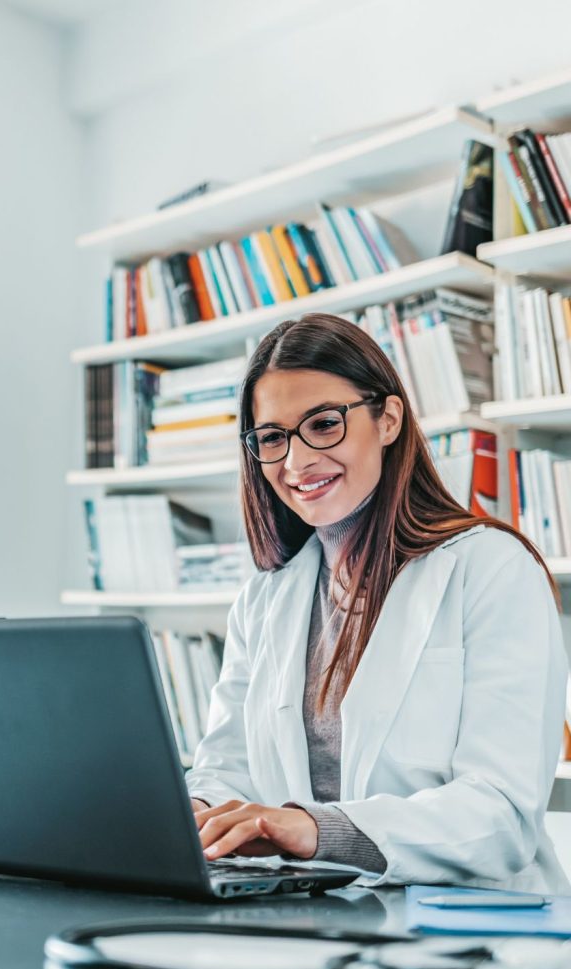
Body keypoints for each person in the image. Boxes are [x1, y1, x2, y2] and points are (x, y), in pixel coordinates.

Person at [185, 312, 569, 892]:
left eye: (323, 424)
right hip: (312, 914)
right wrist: (192, 811)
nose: (295, 462)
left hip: (469, 933)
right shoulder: (266, 598)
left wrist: (315, 829)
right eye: (272, 438)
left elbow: (500, 815)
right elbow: (227, 766)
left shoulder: (491, 568)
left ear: (387, 419)